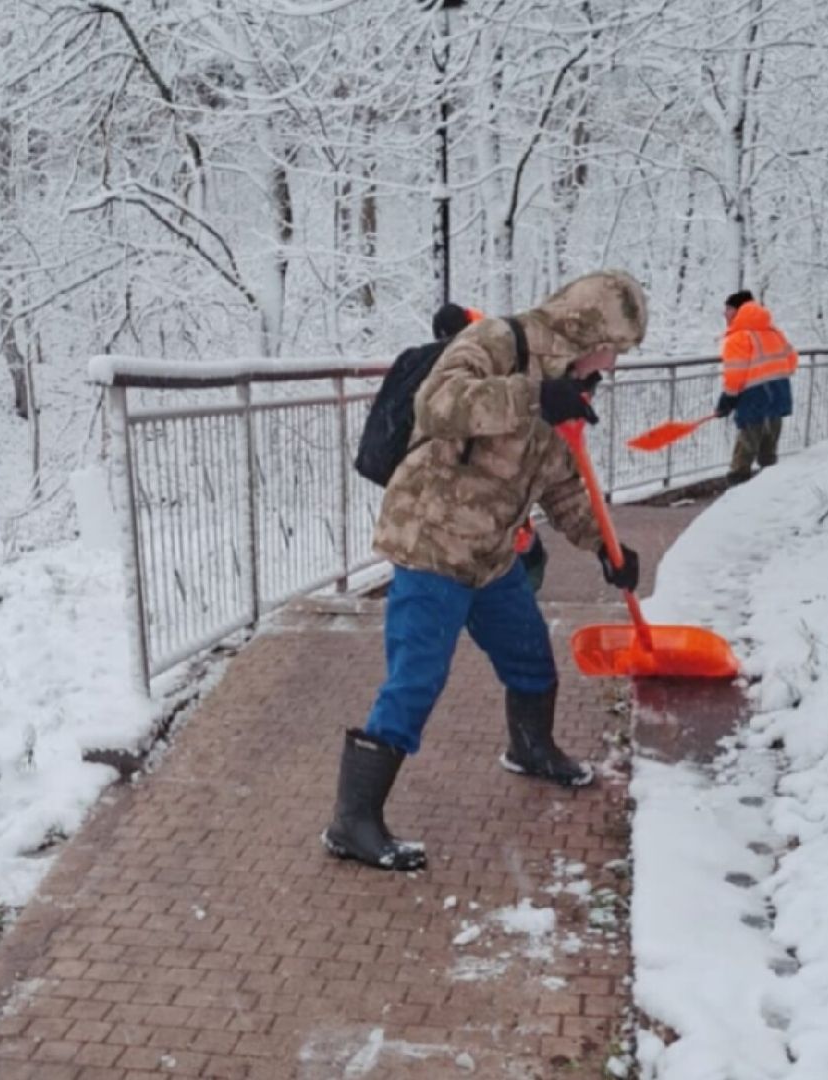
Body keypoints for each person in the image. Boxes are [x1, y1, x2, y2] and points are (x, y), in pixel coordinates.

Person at [322, 271, 649, 872]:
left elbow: (560, 481)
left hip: (493, 553)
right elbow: (438, 403)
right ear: (586, 328)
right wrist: (531, 398)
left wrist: (605, 547)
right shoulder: (501, 342)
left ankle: (531, 748)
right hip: (432, 545)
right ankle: (352, 821)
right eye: (615, 347)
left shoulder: (570, 383)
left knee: (530, 656)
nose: (613, 363)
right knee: (416, 680)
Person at [715, 290, 799, 485]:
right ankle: (767, 490)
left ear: (738, 310)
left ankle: (736, 489)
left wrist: (726, 402)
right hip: (779, 393)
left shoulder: (738, 338)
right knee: (769, 449)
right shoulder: (773, 332)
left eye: (727, 309)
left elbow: (735, 376)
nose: (724, 314)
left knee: (745, 447)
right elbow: (792, 361)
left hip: (753, 398)